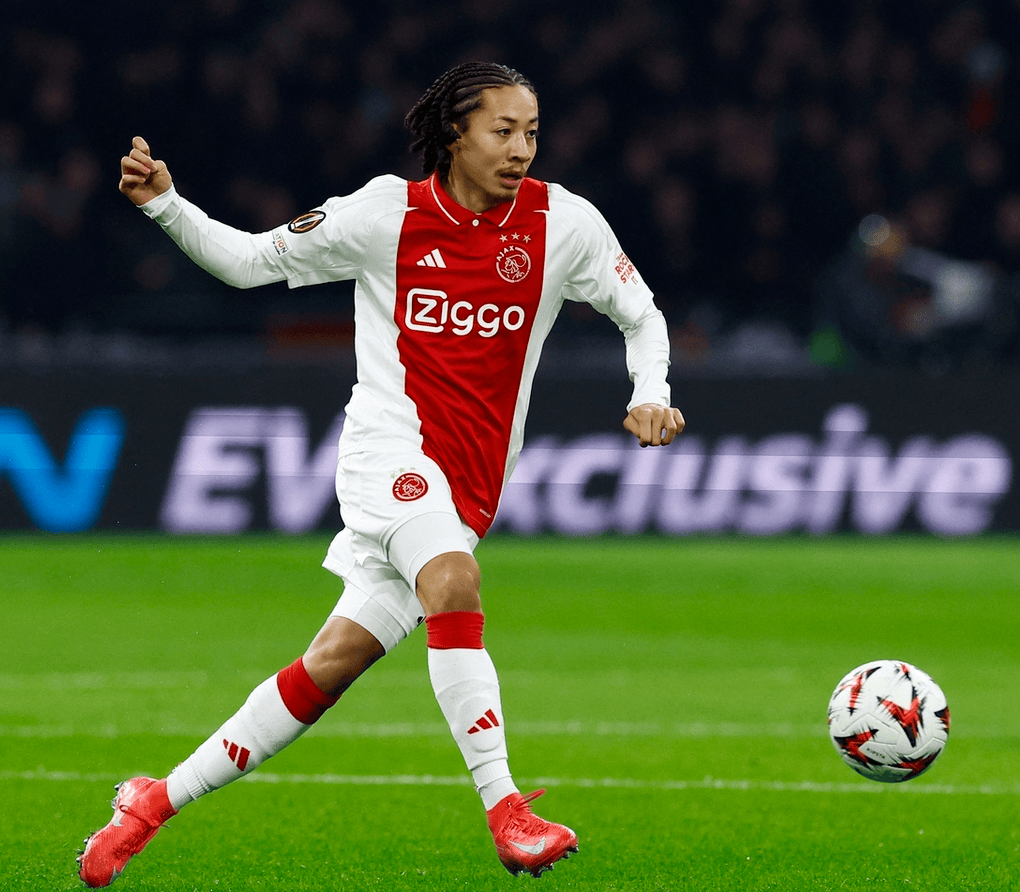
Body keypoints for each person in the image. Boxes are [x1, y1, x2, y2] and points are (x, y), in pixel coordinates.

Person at [78, 61, 685, 887]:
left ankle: (151, 803)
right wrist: (166, 205)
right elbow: (249, 262)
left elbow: (641, 313)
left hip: (469, 488)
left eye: (532, 133)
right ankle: (508, 811)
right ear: (455, 135)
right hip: (387, 454)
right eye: (503, 131)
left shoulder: (563, 224)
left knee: (328, 667)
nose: (520, 150)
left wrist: (651, 392)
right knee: (453, 581)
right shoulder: (385, 214)